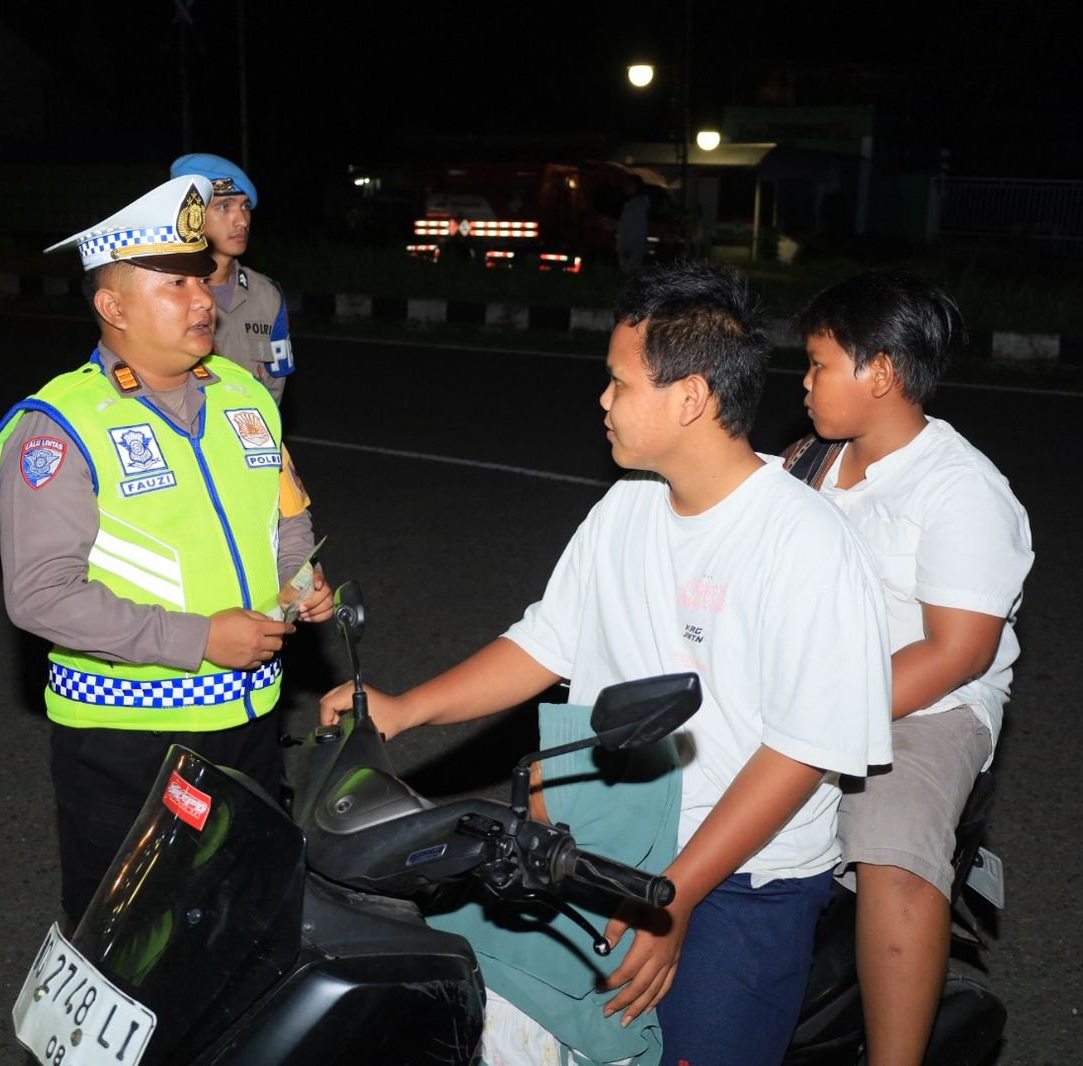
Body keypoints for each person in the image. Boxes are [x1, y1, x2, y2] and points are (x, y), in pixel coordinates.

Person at [321, 261, 894, 1065]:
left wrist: (676, 897)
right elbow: (545, 642)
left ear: (689, 397)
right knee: (451, 1010)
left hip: (740, 879)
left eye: (620, 383)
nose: (603, 400)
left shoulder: (806, 544)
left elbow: (801, 752)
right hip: (598, 846)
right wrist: (405, 709)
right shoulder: (626, 508)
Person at [0, 174, 332, 927]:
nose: (204, 299)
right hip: (129, 740)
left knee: (246, 916)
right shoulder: (62, 424)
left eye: (201, 279)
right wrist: (199, 638)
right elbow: (40, 595)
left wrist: (299, 579)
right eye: (175, 285)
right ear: (113, 307)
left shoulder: (243, 394)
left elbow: (286, 514)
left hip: (251, 719)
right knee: (132, 934)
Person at [784, 271, 1033, 1066]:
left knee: (892, 854)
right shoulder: (809, 461)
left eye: (819, 364)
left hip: (925, 709)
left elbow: (957, 651)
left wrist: (825, 713)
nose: (804, 382)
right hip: (803, 686)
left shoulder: (963, 491)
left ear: (881, 372)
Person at [169, 153, 294, 407]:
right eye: (224, 207)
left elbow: (275, 387)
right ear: (190, 216)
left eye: (245, 207)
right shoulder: (165, 295)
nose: (242, 221)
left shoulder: (267, 295)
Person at [616, 174, 650, 275]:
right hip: (629, 248)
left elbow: (637, 229)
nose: (626, 188)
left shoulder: (637, 206)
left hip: (631, 250)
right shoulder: (632, 204)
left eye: (629, 185)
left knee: (630, 273)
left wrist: (628, 247)